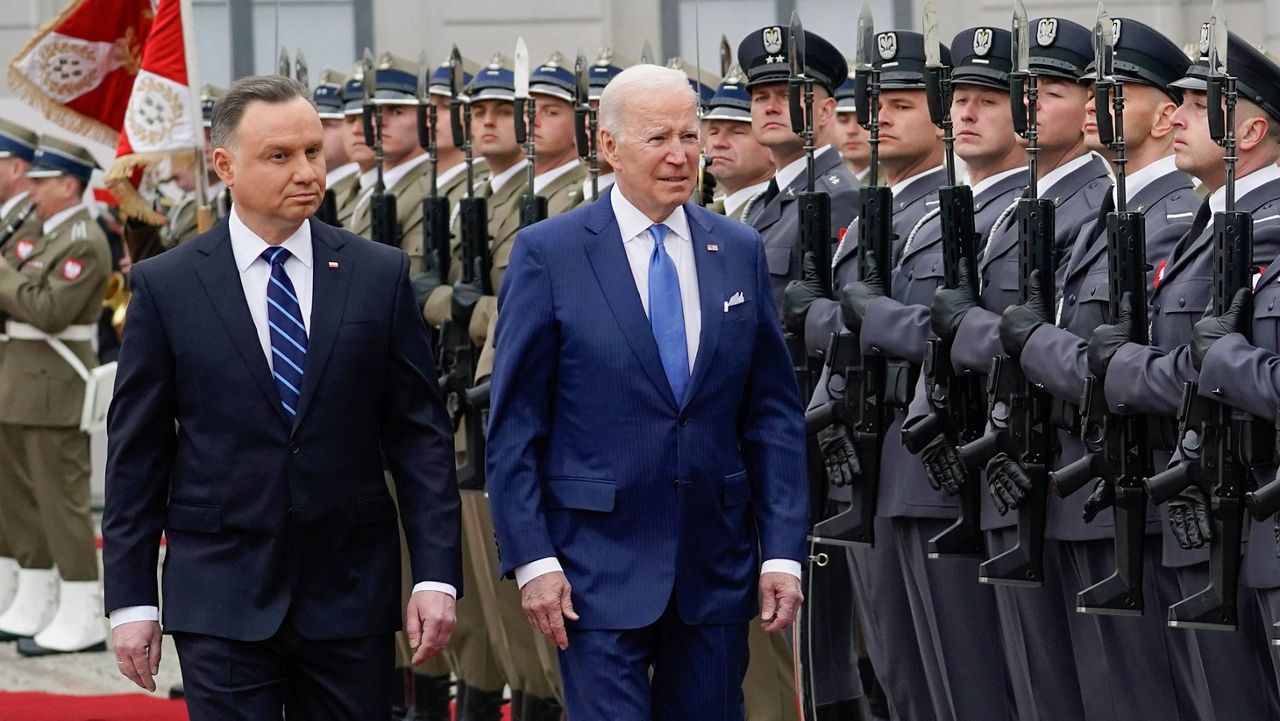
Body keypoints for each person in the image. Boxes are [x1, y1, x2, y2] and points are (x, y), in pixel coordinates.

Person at [102, 75, 462, 720]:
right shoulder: (167, 285)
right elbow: (138, 453)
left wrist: (436, 575)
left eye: (313, 152)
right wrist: (131, 600)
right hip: (221, 592)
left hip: (350, 592)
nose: (306, 171)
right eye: (279, 155)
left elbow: (419, 437)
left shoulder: (376, 275)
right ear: (225, 165)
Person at [486, 63, 808, 721]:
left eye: (690, 137)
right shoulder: (551, 253)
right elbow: (515, 422)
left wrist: (781, 550)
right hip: (591, 569)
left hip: (712, 569)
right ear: (609, 148)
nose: (681, 155)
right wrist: (533, 559)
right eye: (658, 138)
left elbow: (771, 413)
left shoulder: (736, 248)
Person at [1092, 31, 1280, 715]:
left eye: (1200, 106)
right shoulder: (1214, 219)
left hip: (1247, 514)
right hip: (1198, 512)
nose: (1176, 116)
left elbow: (1206, 362)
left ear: (1251, 128)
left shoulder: (1265, 224)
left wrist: (1120, 368)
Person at [0, 136, 110, 657]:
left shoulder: (83, 240)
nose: (34, 192)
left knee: (61, 503)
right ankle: (44, 597)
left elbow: (46, 311)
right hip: (27, 382)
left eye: (43, 183)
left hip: (55, 385)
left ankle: (84, 610)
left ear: (70, 185)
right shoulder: (51, 233)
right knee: (26, 500)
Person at [0, 118, 40, 622]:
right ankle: (18, 588)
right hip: (13, 365)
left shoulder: (29, 226)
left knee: (34, 492)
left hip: (32, 369)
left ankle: (44, 591)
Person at [703, 65, 774, 222]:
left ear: (772, 146)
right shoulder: (709, 212)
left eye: (737, 132)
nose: (719, 143)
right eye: (713, 132)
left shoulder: (777, 213)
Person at [832, 73, 870, 182]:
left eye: (862, 120)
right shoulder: (819, 177)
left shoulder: (893, 181)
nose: (851, 130)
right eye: (843, 120)